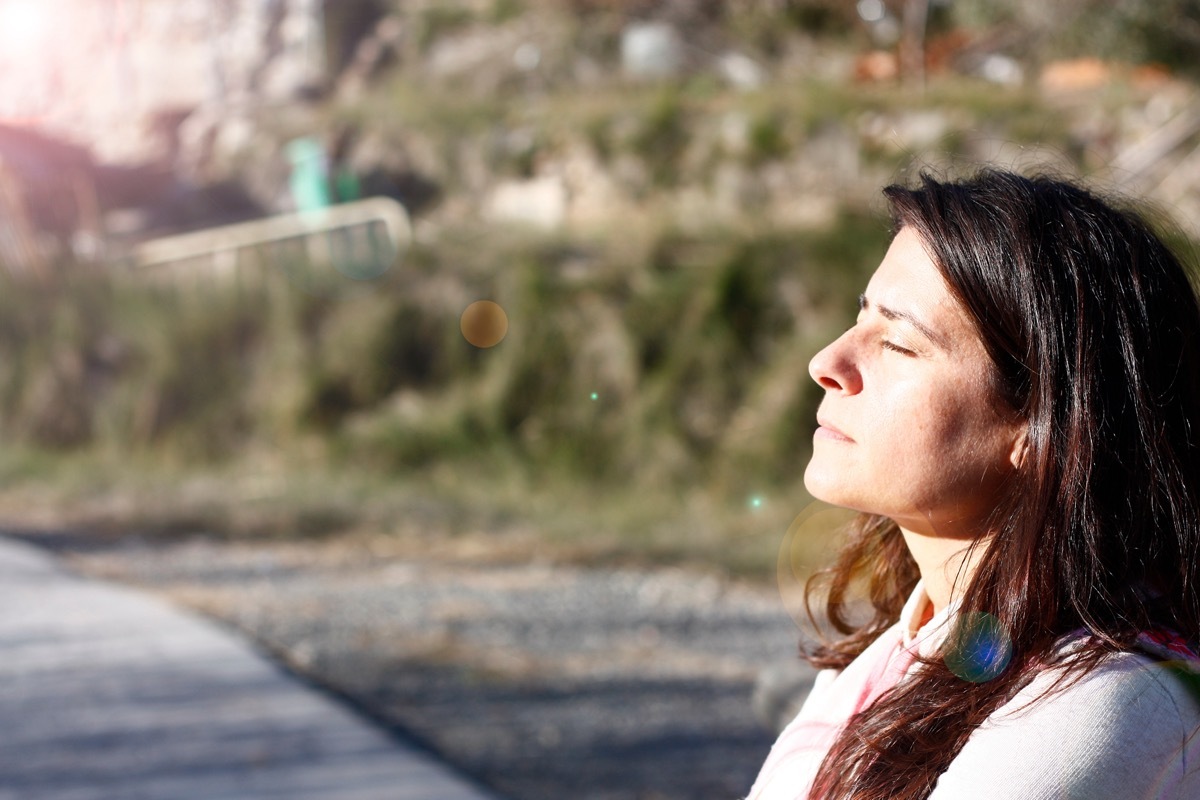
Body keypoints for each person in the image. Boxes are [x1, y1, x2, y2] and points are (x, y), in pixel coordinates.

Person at [748, 169, 1200, 800]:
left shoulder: (1108, 701)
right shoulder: (899, 653)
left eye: (900, 344)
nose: (827, 363)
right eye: (860, 314)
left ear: (1040, 427)